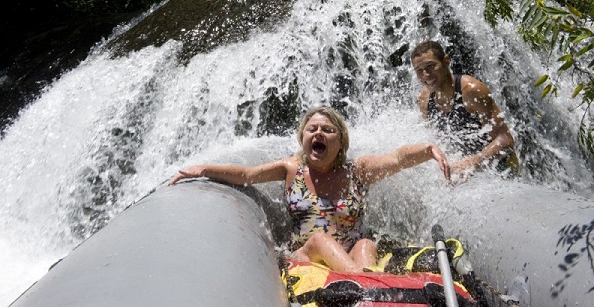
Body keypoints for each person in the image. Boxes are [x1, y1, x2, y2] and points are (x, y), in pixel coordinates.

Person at [168, 106, 450, 273]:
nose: (318, 134)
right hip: (305, 255)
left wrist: (427, 149)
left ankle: (368, 290)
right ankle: (370, 285)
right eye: (312, 129)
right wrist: (204, 169)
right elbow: (246, 175)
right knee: (320, 240)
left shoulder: (358, 170)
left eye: (327, 130)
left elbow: (398, 158)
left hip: (348, 257)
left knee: (366, 244)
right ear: (302, 138)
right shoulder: (292, 169)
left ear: (341, 142)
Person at [410, 40, 518, 180]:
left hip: (501, 165)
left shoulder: (471, 91)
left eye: (431, 66)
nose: (426, 75)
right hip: (466, 168)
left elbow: (506, 139)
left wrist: (474, 160)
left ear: (446, 61)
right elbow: (438, 140)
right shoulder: (424, 100)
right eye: (419, 70)